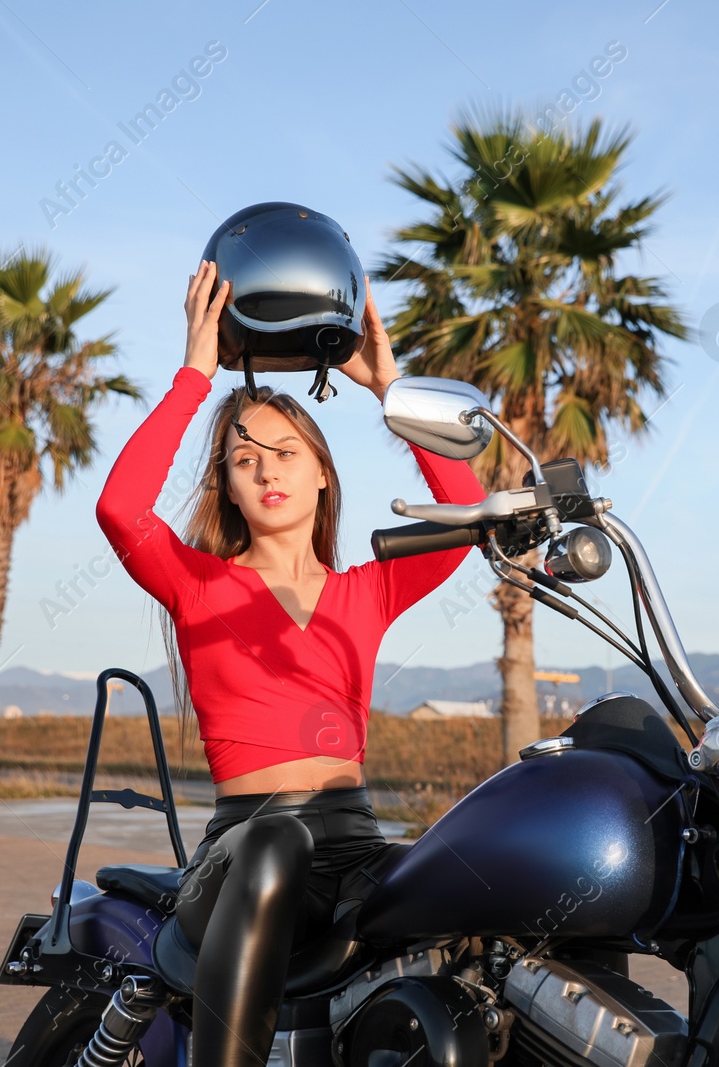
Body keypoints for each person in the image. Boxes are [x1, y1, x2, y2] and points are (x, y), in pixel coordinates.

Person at [94, 259, 485, 1067]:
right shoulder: (197, 584)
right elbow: (119, 508)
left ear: (320, 472)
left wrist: (391, 390)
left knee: (487, 873)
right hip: (244, 849)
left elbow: (467, 517)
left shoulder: (365, 592)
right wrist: (195, 374)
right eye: (246, 460)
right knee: (276, 840)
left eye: (285, 451)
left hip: (354, 844)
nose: (268, 468)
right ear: (229, 487)